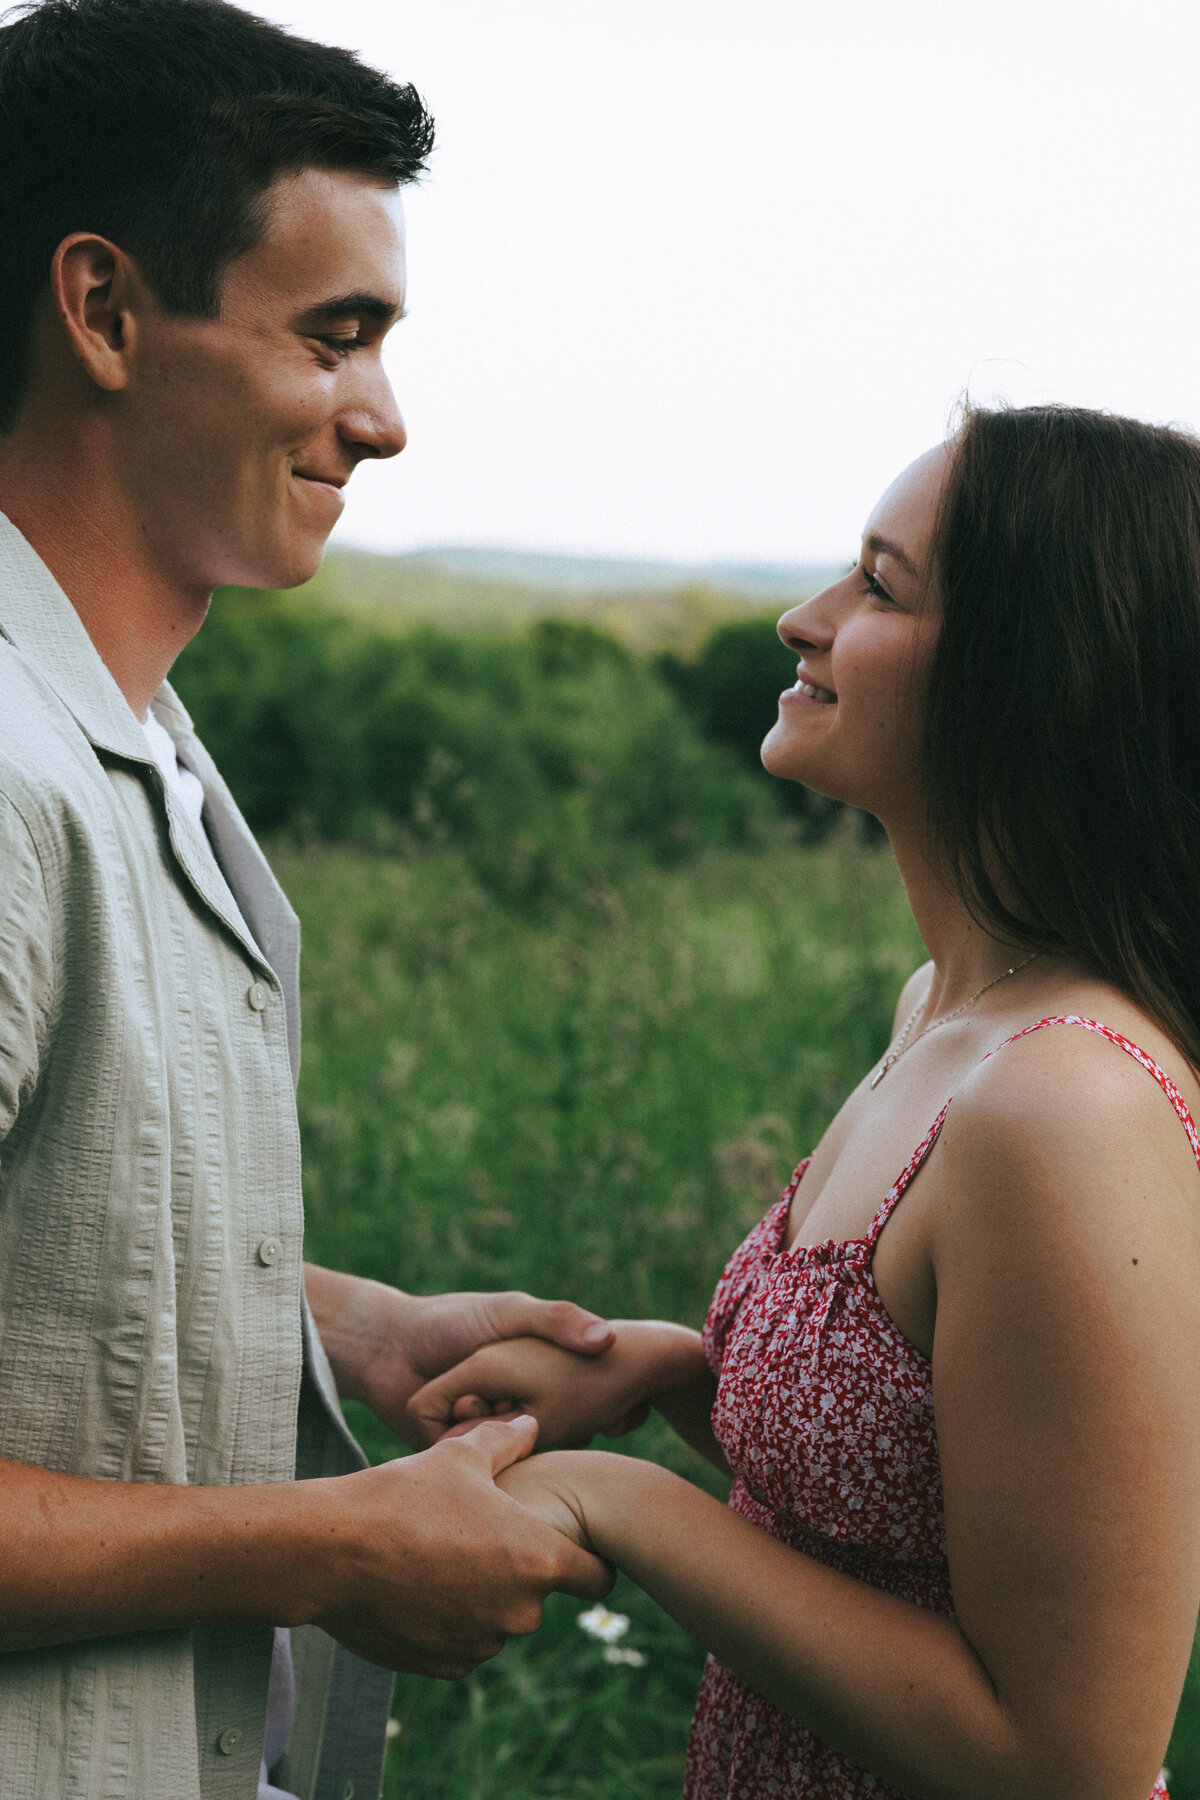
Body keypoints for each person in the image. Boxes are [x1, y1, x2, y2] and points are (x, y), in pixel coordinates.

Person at [0, 1, 618, 1795]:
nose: (388, 418)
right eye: (334, 335)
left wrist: (351, 1329)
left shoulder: (134, 737)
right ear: (105, 311)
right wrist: (325, 1542)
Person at [412, 405, 1200, 1800]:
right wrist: (671, 1380)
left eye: (880, 587)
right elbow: (915, 1514)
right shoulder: (940, 1013)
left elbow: (1069, 1762)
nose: (802, 617)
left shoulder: (1065, 1106)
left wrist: (629, 1507)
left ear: (1040, 681)